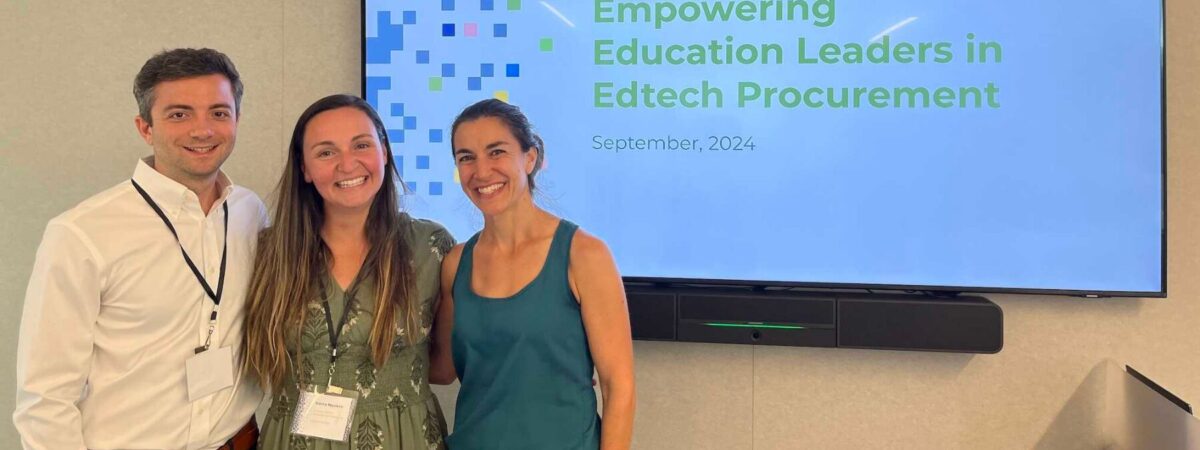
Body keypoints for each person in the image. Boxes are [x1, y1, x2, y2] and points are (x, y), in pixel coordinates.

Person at [13, 48, 265, 449]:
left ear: (236, 120)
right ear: (145, 128)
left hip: (235, 441)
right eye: (179, 114)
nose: (203, 130)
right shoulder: (81, 234)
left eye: (218, 112)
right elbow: (45, 400)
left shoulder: (251, 213)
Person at [243, 94, 453, 449]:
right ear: (305, 169)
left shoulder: (431, 247)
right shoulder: (269, 251)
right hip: (296, 439)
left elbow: (444, 369)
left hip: (406, 438)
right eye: (326, 152)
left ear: (384, 152)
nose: (347, 164)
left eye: (361, 144)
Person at [430, 99, 636, 449]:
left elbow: (619, 388)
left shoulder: (584, 255)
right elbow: (442, 369)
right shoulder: (455, 264)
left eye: (496, 152)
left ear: (530, 157)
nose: (481, 171)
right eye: (466, 157)